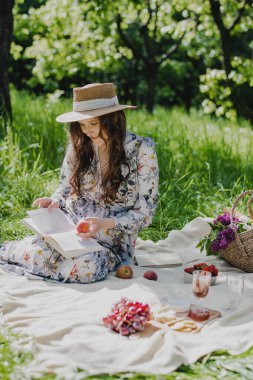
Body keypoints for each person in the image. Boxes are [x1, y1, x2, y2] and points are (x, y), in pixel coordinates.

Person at [0, 83, 159, 283]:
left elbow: (146, 214)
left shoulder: (142, 149)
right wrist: (55, 200)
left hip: (111, 241)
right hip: (70, 230)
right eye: (82, 125)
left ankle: (23, 255)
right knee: (42, 254)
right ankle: (9, 250)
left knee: (87, 268)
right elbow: (66, 187)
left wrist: (104, 224)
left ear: (113, 120)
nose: (87, 131)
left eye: (92, 123)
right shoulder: (79, 145)